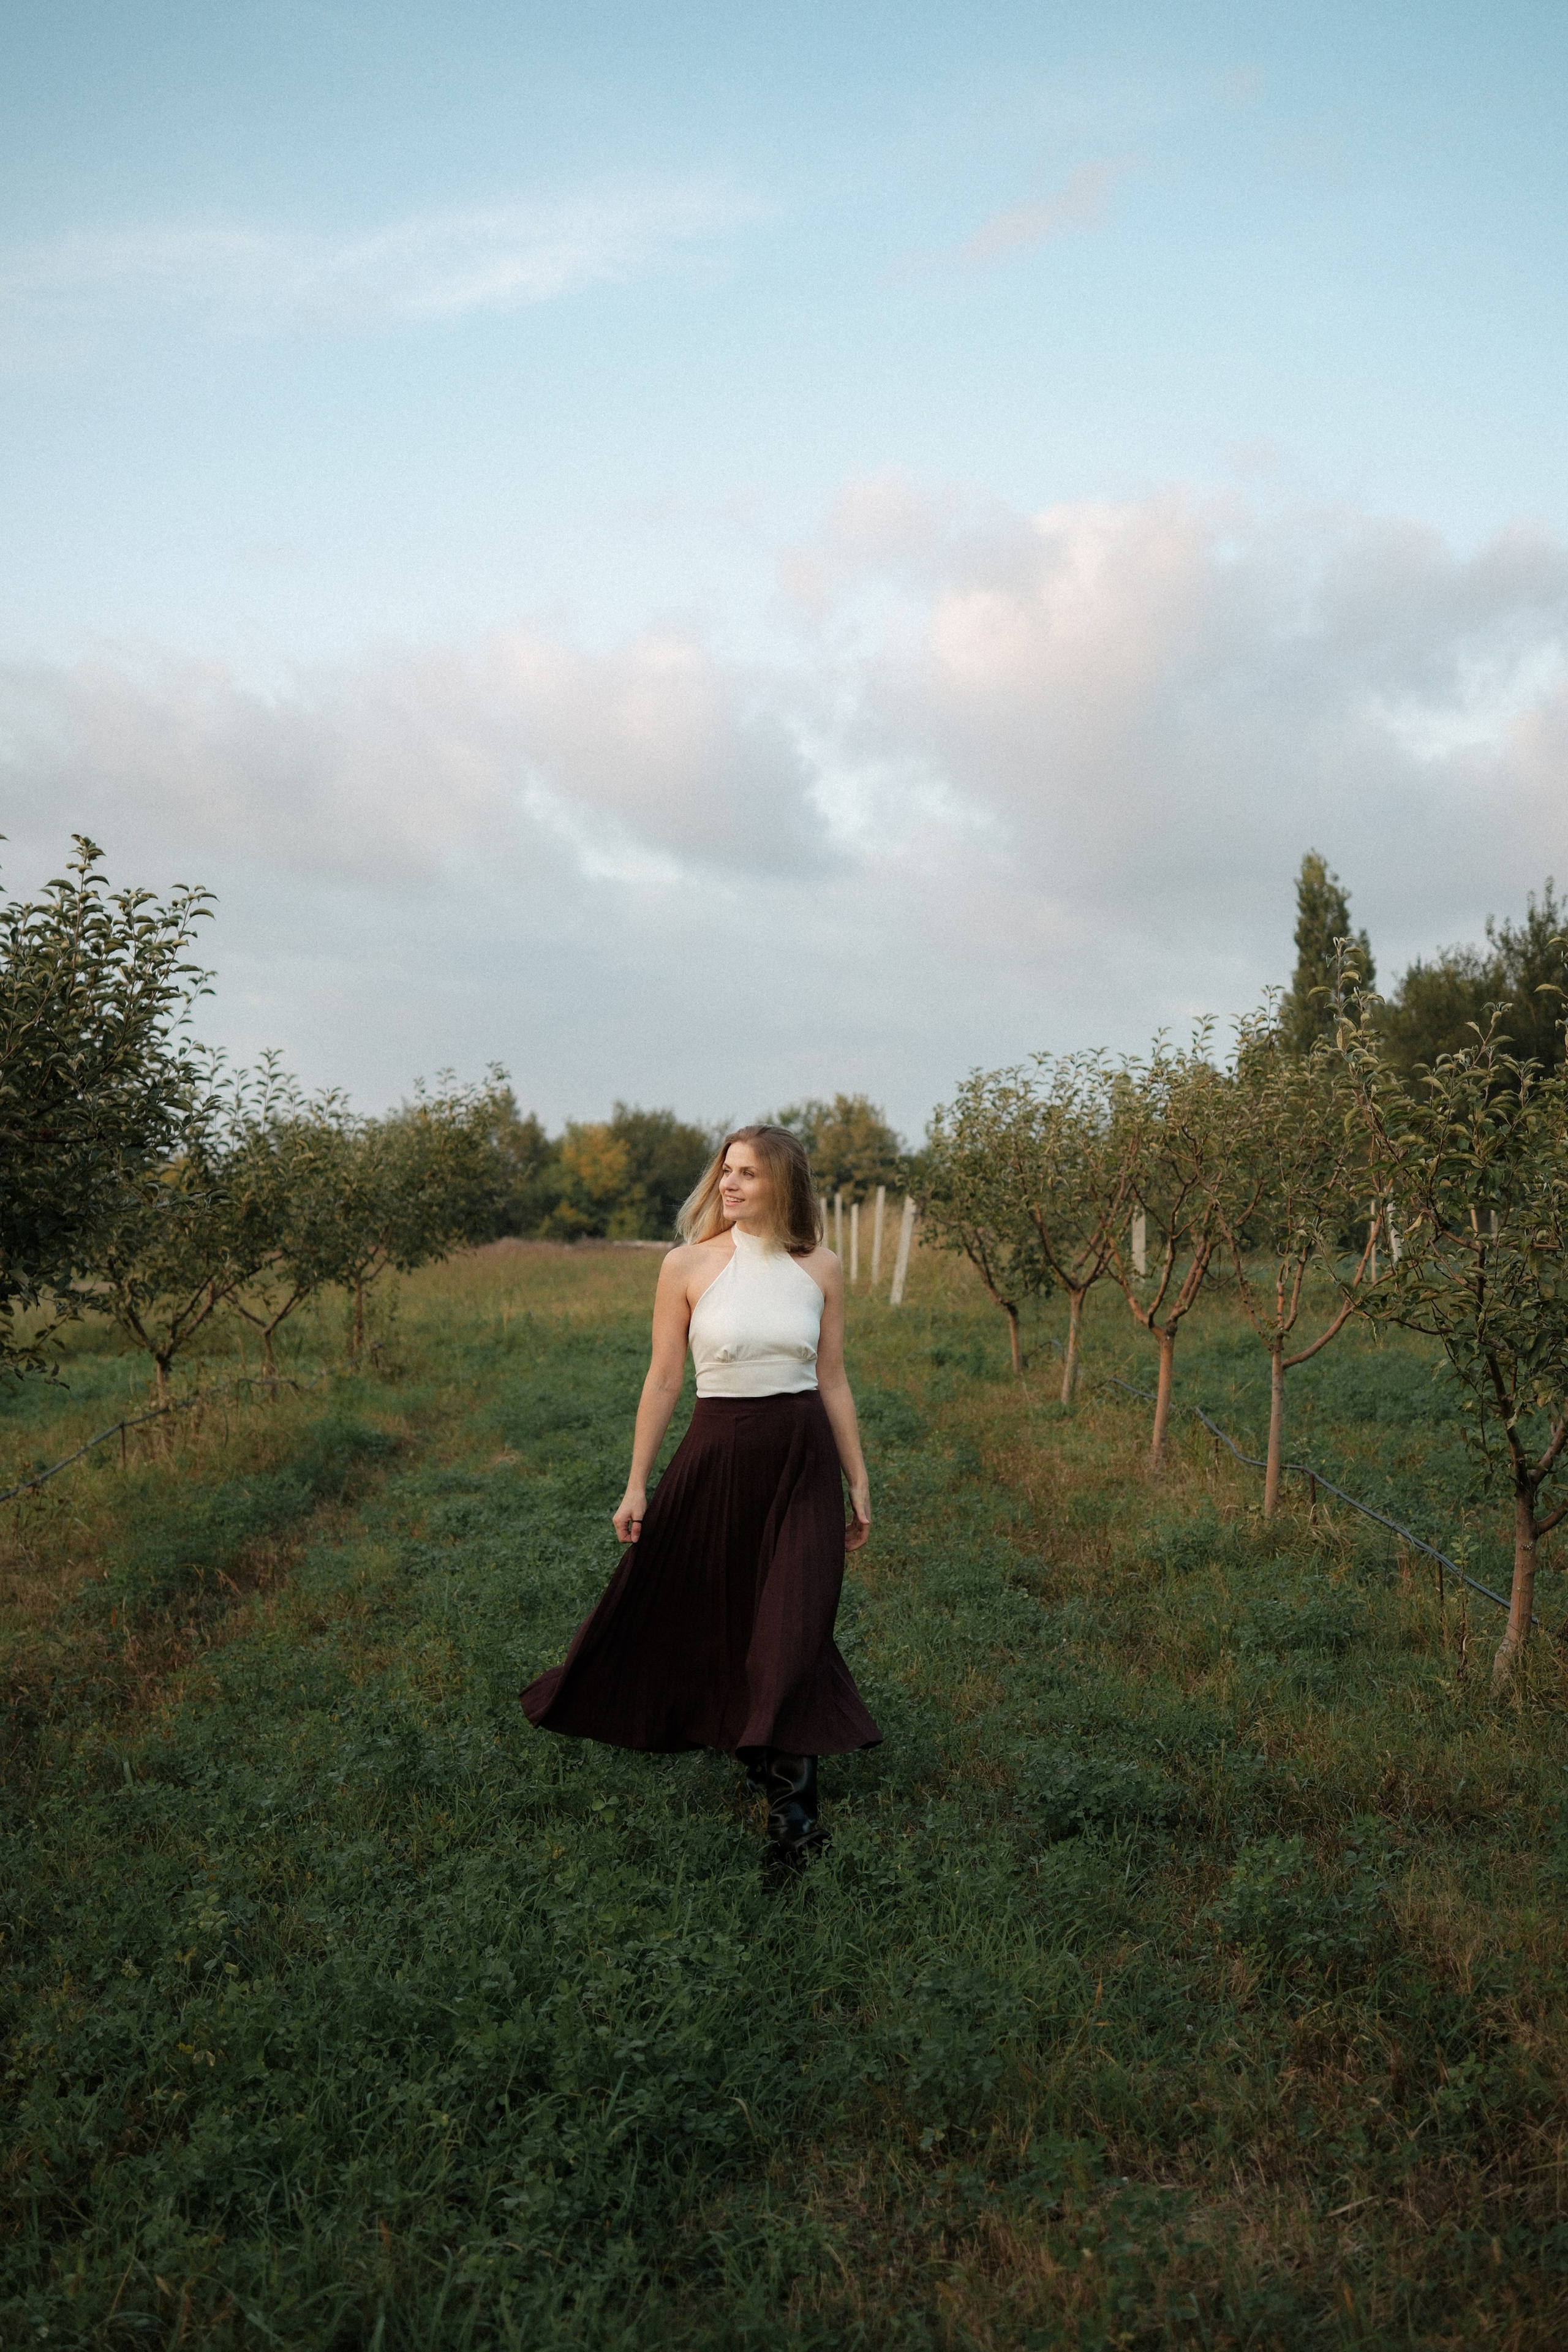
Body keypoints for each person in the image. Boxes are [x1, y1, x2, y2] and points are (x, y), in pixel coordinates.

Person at [520, 1123, 881, 1855]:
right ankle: (751, 1737)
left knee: (795, 1616)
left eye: (747, 1173)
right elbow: (662, 1379)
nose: (729, 1184)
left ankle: (794, 1819)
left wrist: (858, 1477)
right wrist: (635, 1485)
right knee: (711, 1605)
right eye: (726, 1171)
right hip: (718, 1451)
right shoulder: (686, 1266)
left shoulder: (822, 1268)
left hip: (802, 1456)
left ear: (782, 1183)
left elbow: (833, 1376)